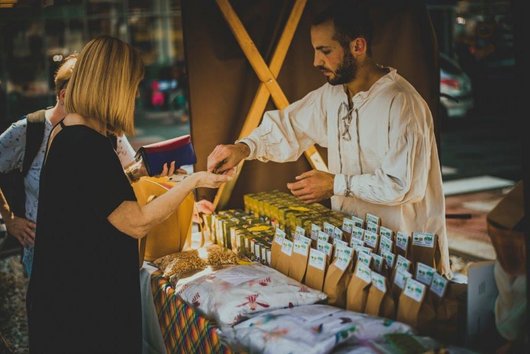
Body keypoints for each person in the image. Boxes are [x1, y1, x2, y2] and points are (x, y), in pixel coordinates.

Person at [207, 0, 450, 276]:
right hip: (356, 246)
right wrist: (243, 148)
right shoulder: (333, 95)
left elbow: (403, 186)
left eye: (325, 51)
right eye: (315, 51)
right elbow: (290, 125)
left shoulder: (401, 103)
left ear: (358, 47)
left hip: (405, 249)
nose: (316, 61)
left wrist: (336, 184)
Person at [27, 36, 232, 353]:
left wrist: (134, 174)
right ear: (113, 86)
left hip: (64, 297)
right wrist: (192, 182)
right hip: (81, 312)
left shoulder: (69, 129)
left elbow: (90, 194)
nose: (136, 95)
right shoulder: (87, 144)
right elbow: (136, 222)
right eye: (134, 86)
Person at [0, 54, 142, 277]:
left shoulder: (104, 130)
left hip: (94, 255)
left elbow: (129, 174)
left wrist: (151, 173)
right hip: (44, 259)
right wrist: (9, 219)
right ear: (65, 95)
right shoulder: (29, 130)